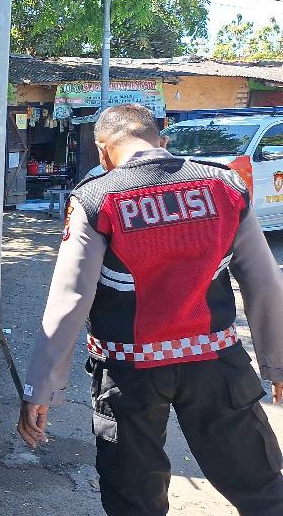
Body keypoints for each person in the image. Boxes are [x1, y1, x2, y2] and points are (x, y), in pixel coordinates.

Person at [17, 103, 283, 515]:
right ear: (163, 140)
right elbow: (264, 282)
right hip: (217, 364)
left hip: (129, 372)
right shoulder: (225, 186)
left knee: (134, 499)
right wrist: (277, 364)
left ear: (103, 150)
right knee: (262, 488)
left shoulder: (96, 198)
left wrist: (41, 387)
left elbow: (70, 300)